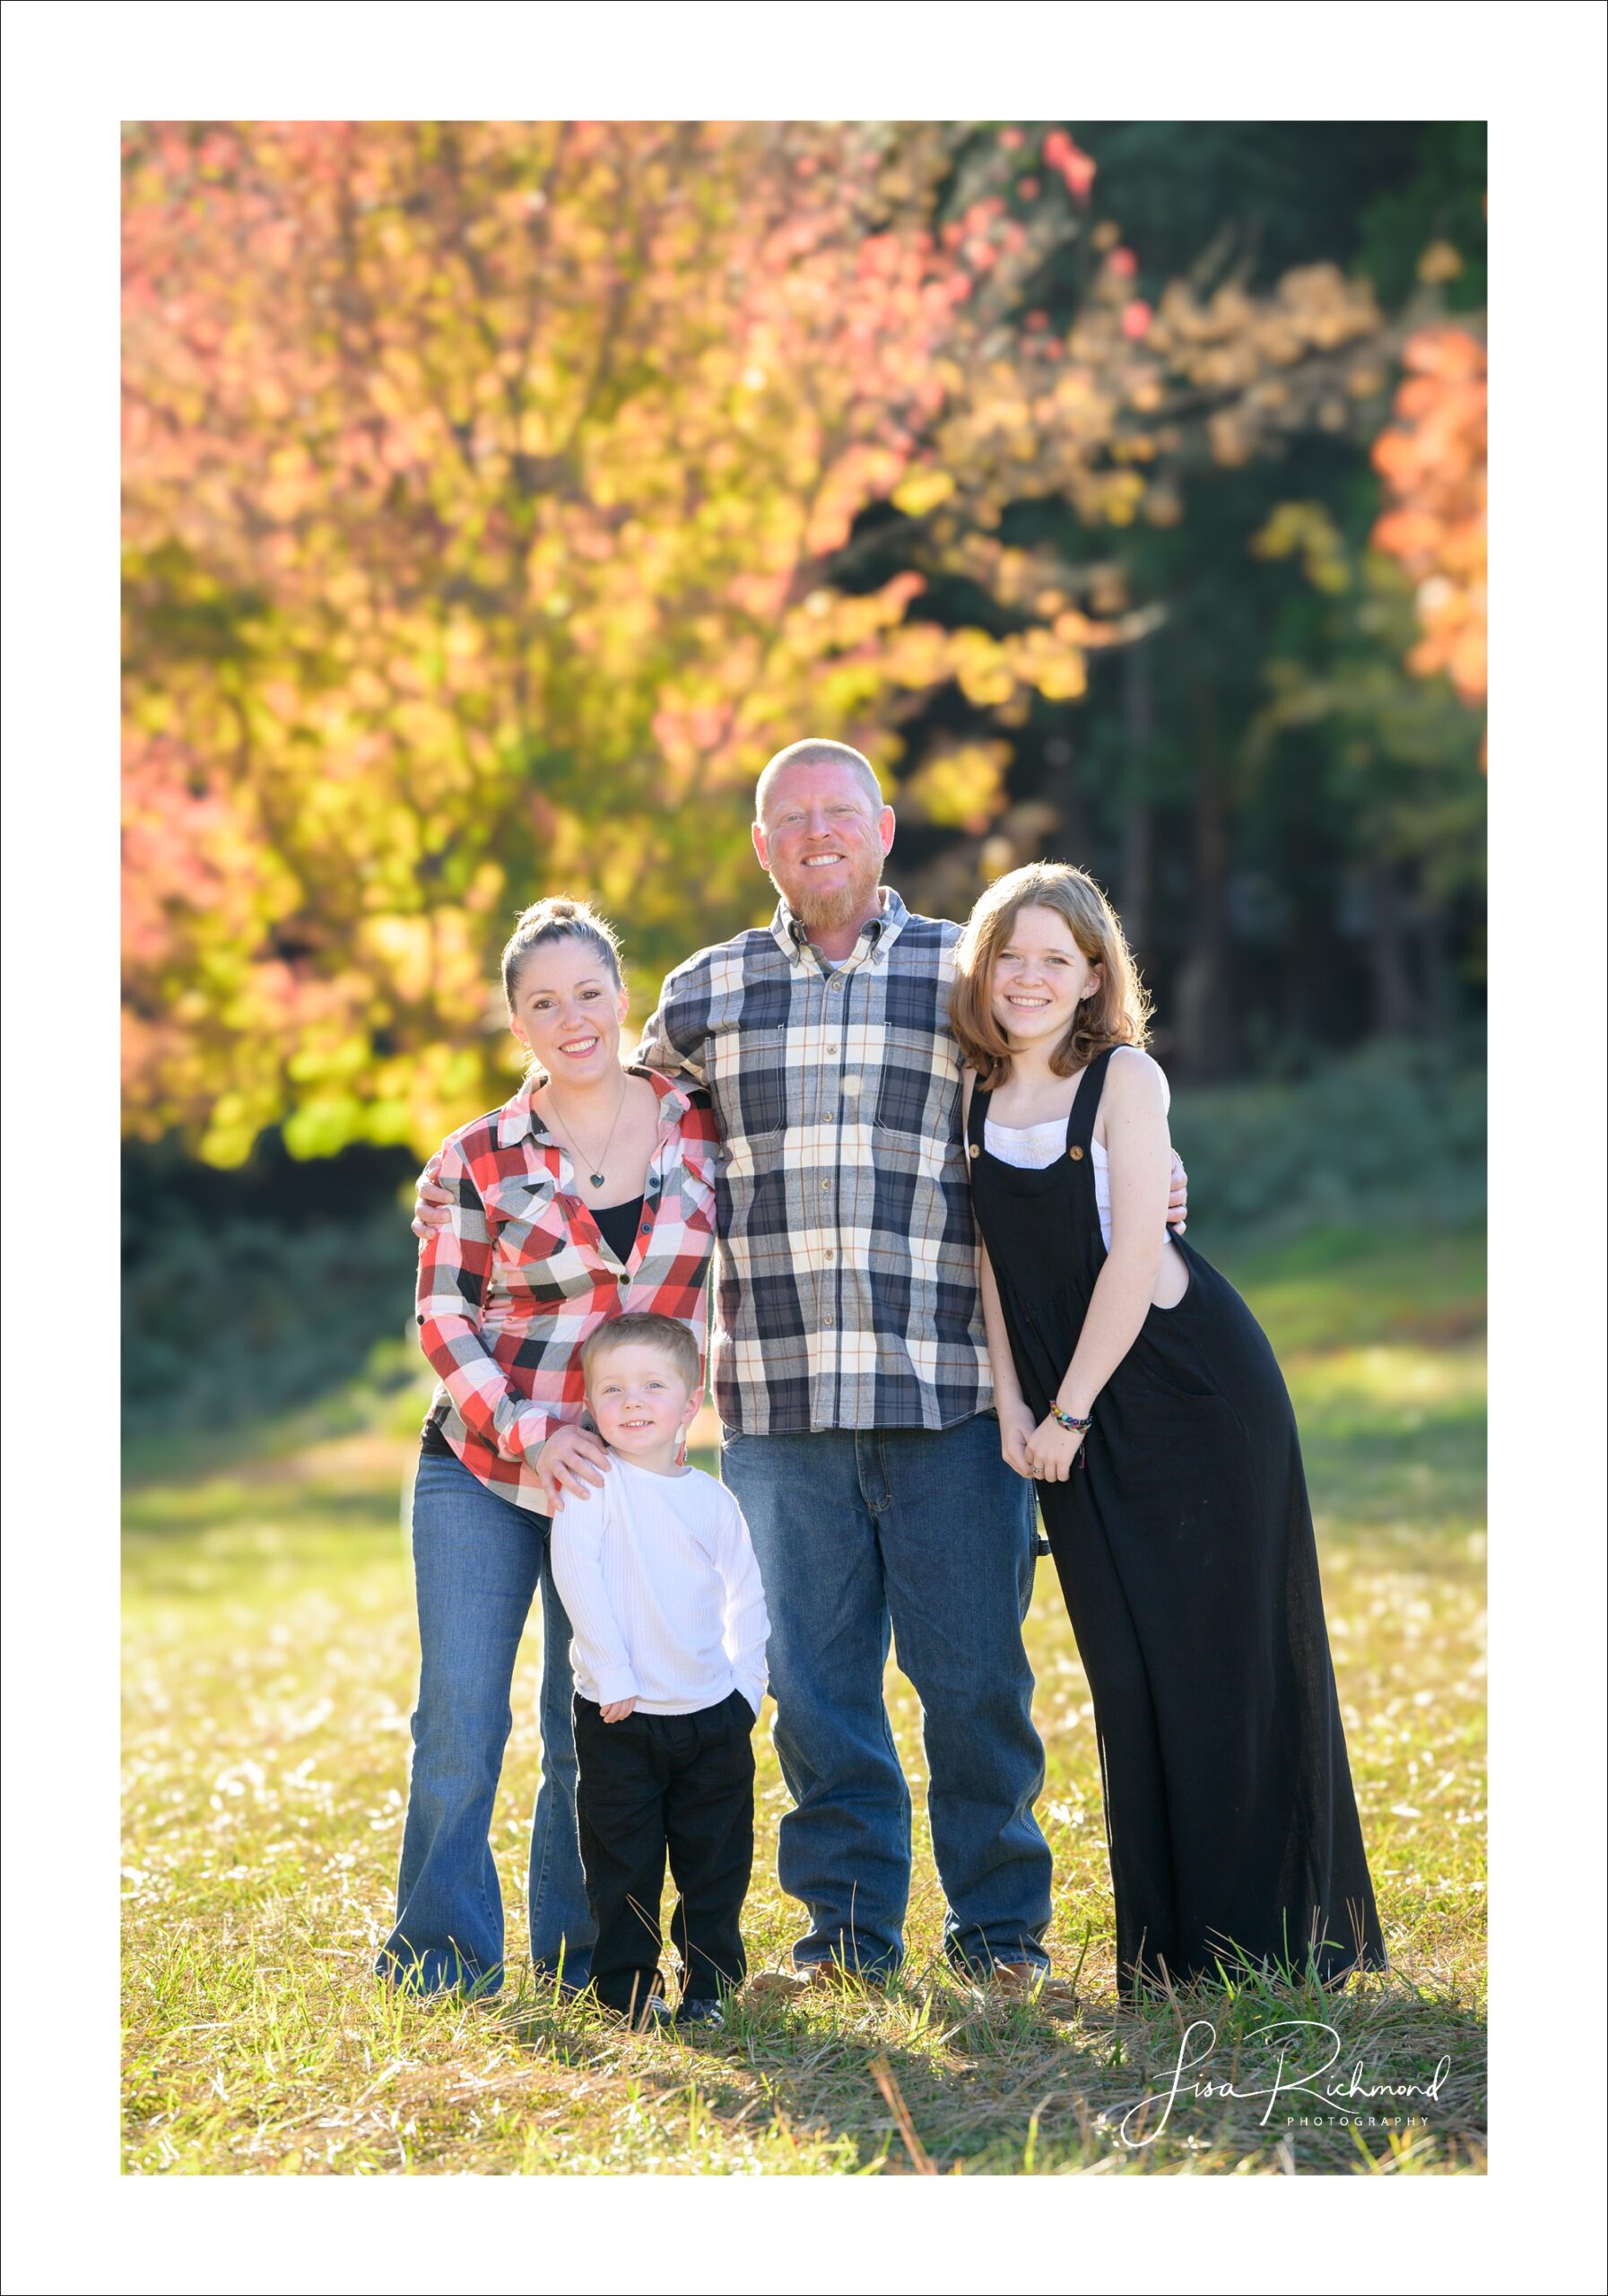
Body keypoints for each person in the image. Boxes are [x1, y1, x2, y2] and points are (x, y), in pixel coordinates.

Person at [632, 741, 1189, 1993]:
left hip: (948, 1394)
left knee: (976, 1683)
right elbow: (614, 1122)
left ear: (884, 827)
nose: (817, 833)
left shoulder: (967, 973)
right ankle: (842, 1940)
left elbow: (1072, 1101)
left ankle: (1001, 1941)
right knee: (815, 1695)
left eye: (841, 812)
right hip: (774, 1404)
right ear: (760, 843)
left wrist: (1147, 1177)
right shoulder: (703, 992)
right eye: (791, 818)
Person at [950, 861, 1386, 1999]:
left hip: (1187, 1400)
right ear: (983, 968)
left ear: (1095, 973)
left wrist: (1068, 1411)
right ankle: (1173, 1952)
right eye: (1011, 953)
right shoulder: (976, 1094)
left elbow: (1137, 1255)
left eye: (1057, 957)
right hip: (1057, 1413)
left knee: (1219, 1657)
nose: (1031, 976)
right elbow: (993, 1266)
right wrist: (1013, 1405)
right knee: (1129, 1671)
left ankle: (1275, 1940)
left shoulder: (1123, 1080)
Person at [378, 899, 719, 1996]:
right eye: (542, 1003)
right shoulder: (476, 1153)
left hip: (617, 1482)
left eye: (588, 993)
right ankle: (440, 1954)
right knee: (462, 1720)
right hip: (481, 1468)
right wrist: (530, 1430)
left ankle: (582, 1957)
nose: (571, 1018)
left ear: (625, 998)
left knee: (597, 1720)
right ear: (515, 1024)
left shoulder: (700, 1128)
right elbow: (442, 1317)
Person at [550, 1313, 769, 2030]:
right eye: (611, 1389)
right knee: (623, 1866)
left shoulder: (710, 1498)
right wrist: (611, 1675)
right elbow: (576, 1577)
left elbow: (746, 1593)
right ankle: (626, 1994)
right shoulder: (591, 1486)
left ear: (690, 1399)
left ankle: (710, 1988)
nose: (632, 1401)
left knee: (715, 1865)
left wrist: (746, 1689)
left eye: (652, 1384)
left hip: (711, 1717)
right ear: (589, 1404)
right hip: (619, 1718)